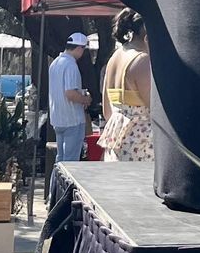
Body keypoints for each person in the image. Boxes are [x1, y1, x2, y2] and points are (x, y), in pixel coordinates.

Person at [97, 9, 155, 161]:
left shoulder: (115, 56)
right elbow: (157, 111)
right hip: (140, 146)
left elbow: (107, 111)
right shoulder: (142, 60)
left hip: (116, 140)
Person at [48, 33, 93, 162]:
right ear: (79, 48)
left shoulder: (55, 63)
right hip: (72, 119)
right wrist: (86, 100)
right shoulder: (71, 65)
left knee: (60, 160)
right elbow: (70, 93)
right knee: (71, 162)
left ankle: (55, 183)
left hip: (58, 119)